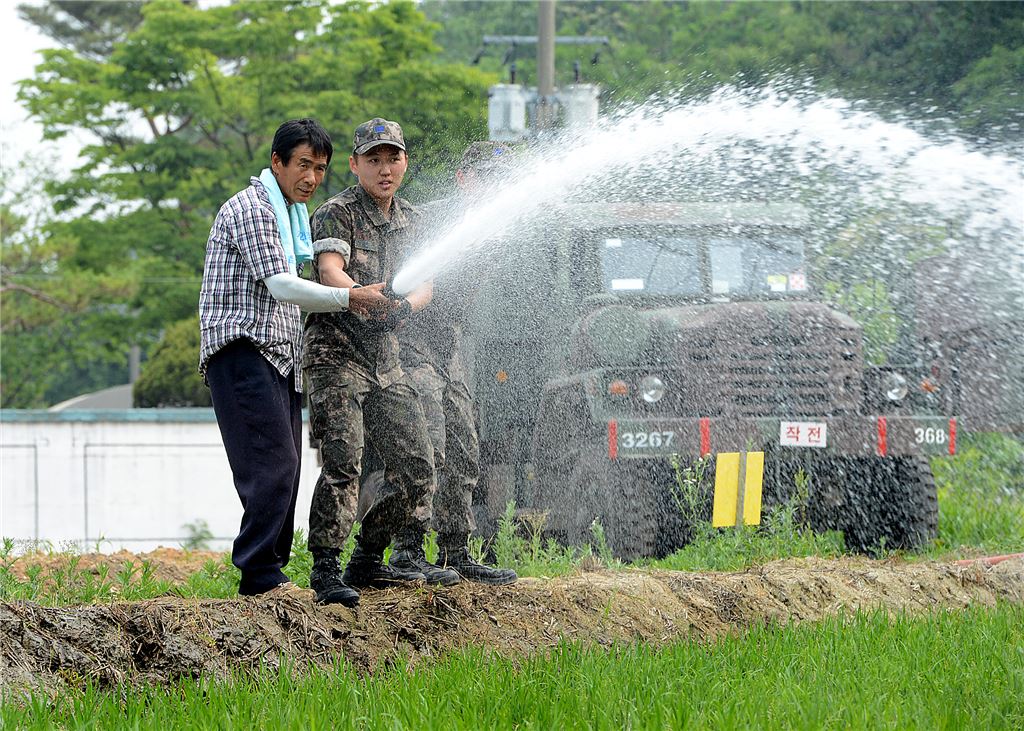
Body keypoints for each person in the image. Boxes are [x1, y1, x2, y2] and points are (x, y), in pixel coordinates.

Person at [199, 118, 390, 597]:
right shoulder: (254, 209)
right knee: (274, 464)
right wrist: (351, 298)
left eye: (320, 168)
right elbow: (282, 286)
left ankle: (271, 573)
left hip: (279, 356)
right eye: (302, 164)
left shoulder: (292, 217)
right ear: (276, 162)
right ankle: (259, 573)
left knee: (289, 467)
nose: (311, 177)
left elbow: (294, 292)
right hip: (242, 350)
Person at [303, 117, 460, 607]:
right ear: (355, 165)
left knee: (419, 463)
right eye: (373, 159)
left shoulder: (413, 219)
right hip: (336, 354)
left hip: (385, 358)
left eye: (393, 158)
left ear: (405, 162)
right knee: (344, 463)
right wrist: (360, 297)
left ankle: (369, 558)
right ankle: (326, 567)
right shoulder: (336, 213)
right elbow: (330, 269)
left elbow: (425, 285)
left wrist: (405, 307)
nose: (385, 168)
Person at [375, 141, 519, 585]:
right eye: (485, 179)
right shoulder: (431, 220)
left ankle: (456, 551)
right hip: (411, 339)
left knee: (463, 443)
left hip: (448, 344)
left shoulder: (499, 227)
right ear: (463, 180)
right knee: (427, 441)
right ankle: (406, 550)